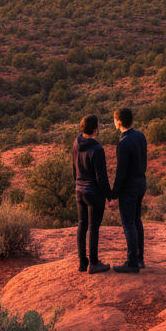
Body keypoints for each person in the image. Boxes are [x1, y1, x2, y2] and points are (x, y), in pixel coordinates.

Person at [109, 107, 147, 273]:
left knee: (129, 224)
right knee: (137, 220)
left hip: (129, 188)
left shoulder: (123, 143)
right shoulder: (140, 136)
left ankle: (131, 263)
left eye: (114, 119)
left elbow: (121, 173)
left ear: (119, 122)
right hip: (140, 183)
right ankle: (139, 259)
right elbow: (144, 161)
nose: (114, 122)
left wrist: (114, 195)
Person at [72, 114, 111, 274]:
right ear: (95, 129)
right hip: (93, 193)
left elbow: (74, 168)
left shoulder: (76, 142)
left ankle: (82, 262)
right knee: (93, 227)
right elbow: (101, 178)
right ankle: (94, 264)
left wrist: (77, 183)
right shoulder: (97, 149)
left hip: (79, 190)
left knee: (82, 225)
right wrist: (110, 196)